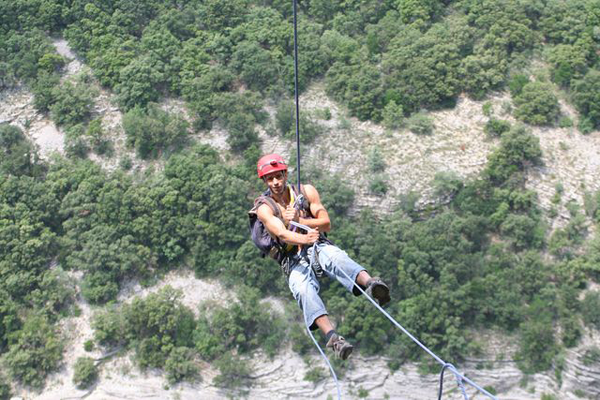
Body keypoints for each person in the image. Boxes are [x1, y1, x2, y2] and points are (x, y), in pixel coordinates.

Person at [253, 153, 391, 360]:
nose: (275, 182)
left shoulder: (305, 192)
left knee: (335, 257)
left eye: (278, 176)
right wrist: (304, 239)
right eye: (270, 179)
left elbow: (326, 223)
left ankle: (372, 284)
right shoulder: (264, 208)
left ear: (285, 174)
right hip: (291, 259)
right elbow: (281, 233)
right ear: (264, 181)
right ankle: (334, 338)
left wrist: (301, 220)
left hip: (316, 245)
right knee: (302, 289)